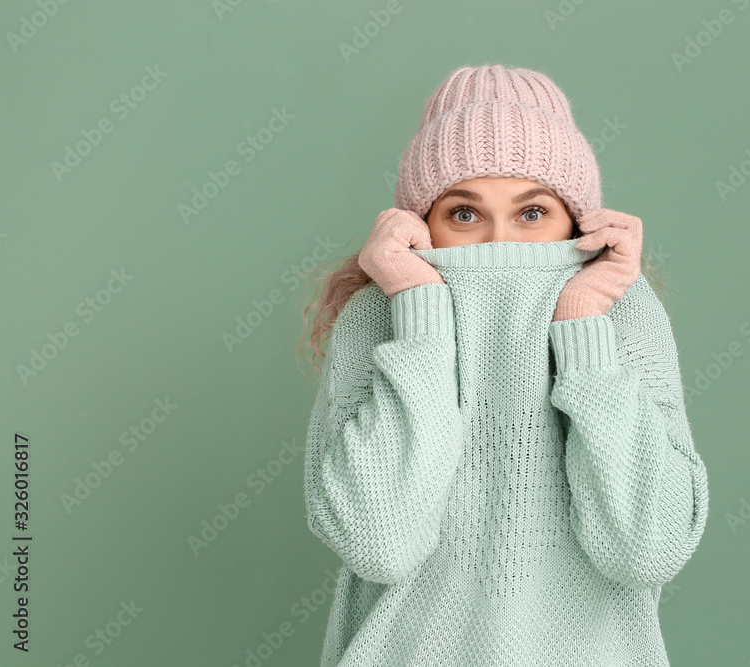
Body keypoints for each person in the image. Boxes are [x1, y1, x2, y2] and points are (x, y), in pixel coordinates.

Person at [300, 63, 709, 667]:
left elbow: (647, 549)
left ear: (577, 222)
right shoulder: (378, 314)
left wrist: (583, 328)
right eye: (464, 214)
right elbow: (379, 542)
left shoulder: (622, 313)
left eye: (533, 213)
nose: (500, 244)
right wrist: (420, 315)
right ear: (421, 225)